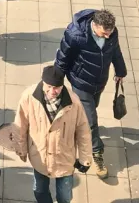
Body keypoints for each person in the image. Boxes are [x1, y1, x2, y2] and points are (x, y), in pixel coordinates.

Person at [54, 8, 127, 178]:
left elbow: (115, 51)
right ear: (94, 25)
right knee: (91, 120)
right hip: (80, 82)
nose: (107, 36)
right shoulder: (75, 34)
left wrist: (120, 71)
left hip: (100, 81)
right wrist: (56, 82)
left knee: (90, 111)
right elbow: (63, 57)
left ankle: (77, 127)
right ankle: (97, 152)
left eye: (109, 33)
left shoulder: (111, 33)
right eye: (103, 34)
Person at [12, 64, 92, 203]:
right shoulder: (29, 97)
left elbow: (83, 131)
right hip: (40, 157)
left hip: (64, 159)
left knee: (64, 197)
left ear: (62, 86)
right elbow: (20, 125)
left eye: (56, 87)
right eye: (48, 86)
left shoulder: (74, 102)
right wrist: (21, 150)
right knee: (40, 192)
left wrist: (85, 158)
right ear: (43, 82)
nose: (52, 91)